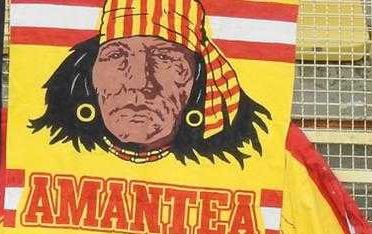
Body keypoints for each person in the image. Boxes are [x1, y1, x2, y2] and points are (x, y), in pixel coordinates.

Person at [27, 0, 270, 164]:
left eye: (164, 57)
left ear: (199, 79)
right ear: (89, 74)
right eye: (117, 55)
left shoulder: (277, 159)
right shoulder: (22, 151)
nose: (139, 82)